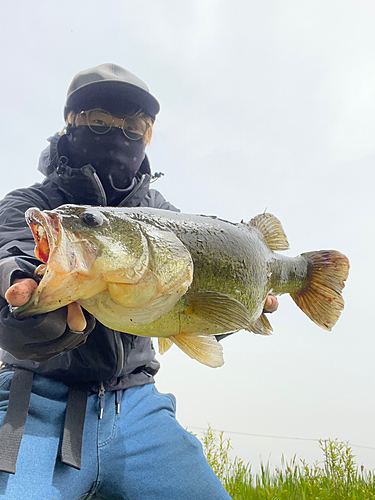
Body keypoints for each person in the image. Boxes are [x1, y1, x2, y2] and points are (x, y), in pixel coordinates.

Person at [0, 63, 278, 500]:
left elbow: (190, 302)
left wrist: (237, 311)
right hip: (34, 401)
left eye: (134, 125)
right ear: (70, 125)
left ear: (148, 135)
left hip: (137, 403)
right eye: (98, 120)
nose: (118, 133)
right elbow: (11, 260)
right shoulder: (33, 207)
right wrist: (22, 305)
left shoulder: (166, 214)